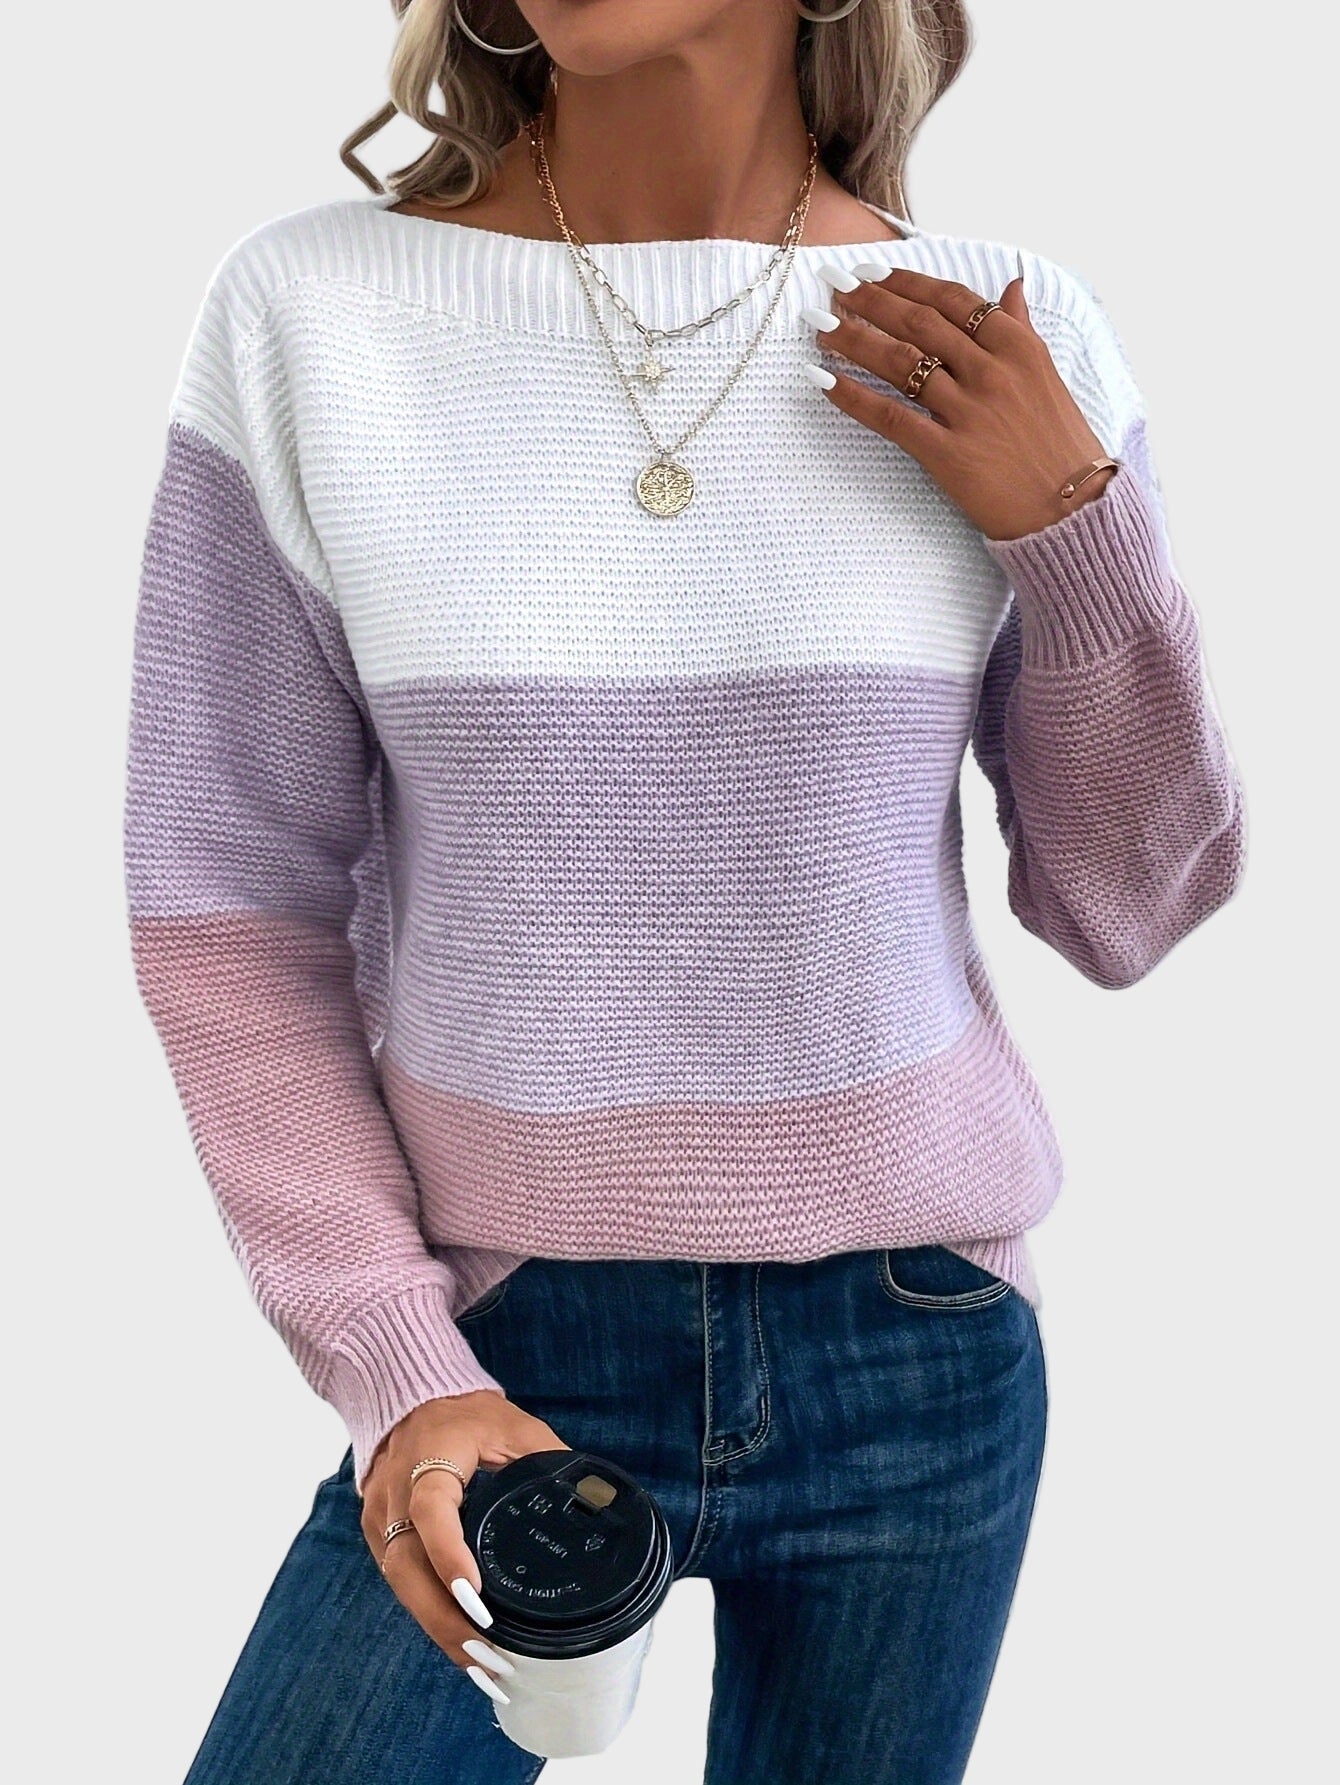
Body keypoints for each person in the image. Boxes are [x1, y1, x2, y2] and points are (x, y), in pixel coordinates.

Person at [122, 1, 1246, 1779]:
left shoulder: (1001, 335)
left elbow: (1130, 907)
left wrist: (1072, 527)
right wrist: (394, 1357)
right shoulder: (314, 316)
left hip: (917, 1352)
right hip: (497, 1341)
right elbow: (229, 907)